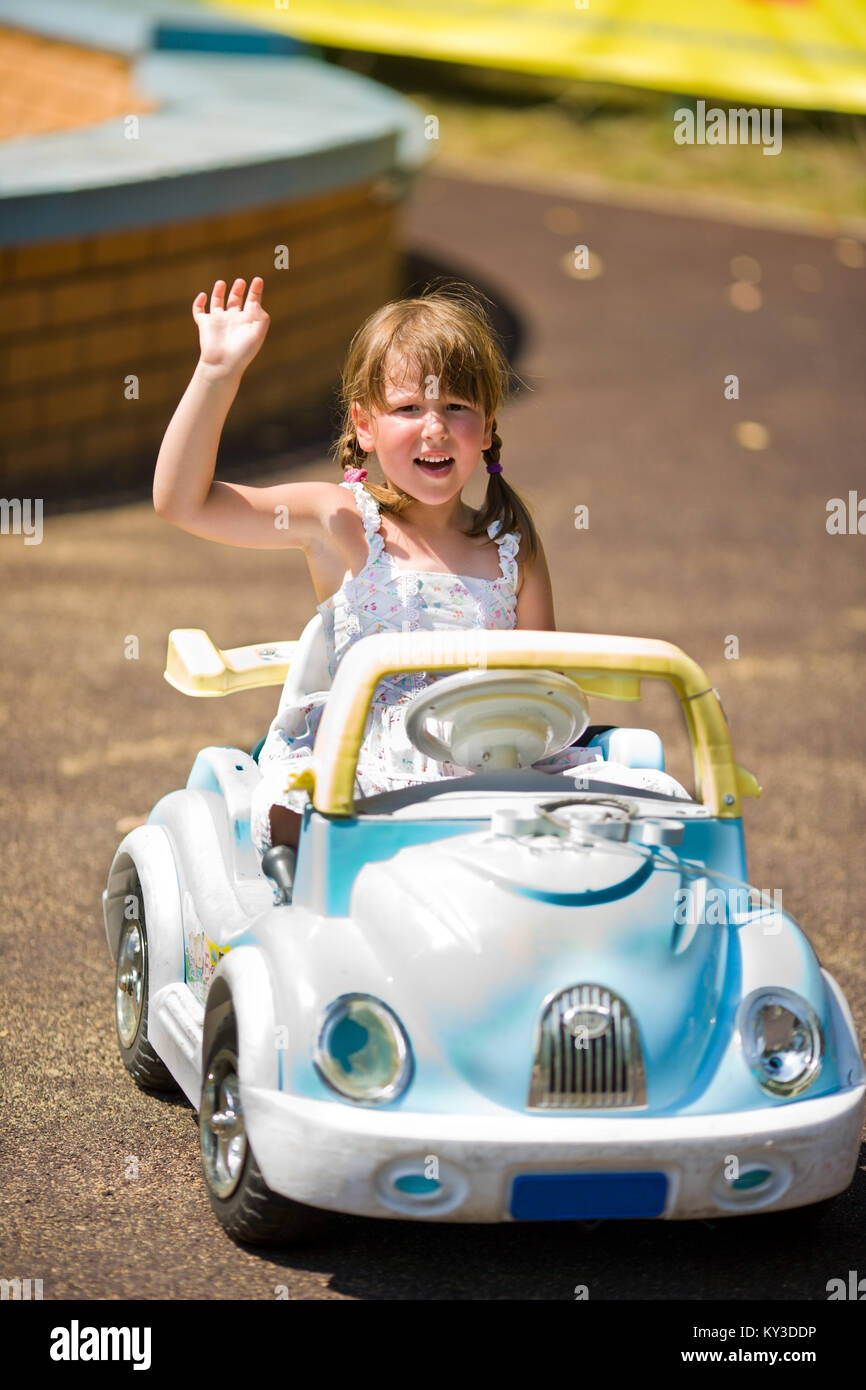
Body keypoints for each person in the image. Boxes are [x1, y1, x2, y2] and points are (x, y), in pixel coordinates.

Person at [153, 275, 689, 866]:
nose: (434, 427)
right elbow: (183, 502)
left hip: (494, 761)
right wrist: (217, 373)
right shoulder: (340, 522)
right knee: (296, 806)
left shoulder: (511, 546)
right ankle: (317, 912)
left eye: (456, 407)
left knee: (657, 801)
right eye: (408, 408)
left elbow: (542, 684)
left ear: (485, 428)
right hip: (372, 765)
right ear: (363, 425)